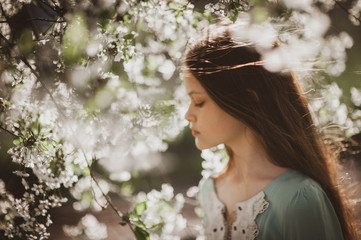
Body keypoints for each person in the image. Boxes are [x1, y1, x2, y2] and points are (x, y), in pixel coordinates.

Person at [183, 21, 357, 240]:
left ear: (248, 100)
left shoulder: (298, 198)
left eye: (198, 102)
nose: (188, 115)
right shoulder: (211, 190)